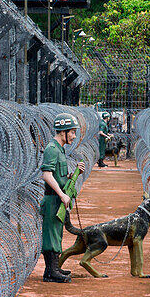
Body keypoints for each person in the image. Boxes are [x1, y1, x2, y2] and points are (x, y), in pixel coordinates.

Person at [40, 112, 86, 283]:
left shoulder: (59, 149)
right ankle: (51, 272)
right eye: (72, 132)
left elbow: (58, 176)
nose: (74, 136)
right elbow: (46, 175)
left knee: (57, 234)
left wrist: (73, 174)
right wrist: (61, 194)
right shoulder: (52, 149)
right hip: (52, 200)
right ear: (62, 132)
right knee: (51, 235)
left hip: (58, 199)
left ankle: (53, 269)